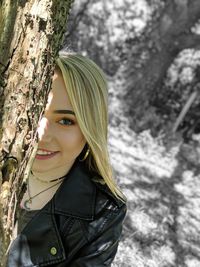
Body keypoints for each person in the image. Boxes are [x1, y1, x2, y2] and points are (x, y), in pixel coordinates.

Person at [7, 51, 127, 267]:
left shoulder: (103, 213)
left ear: (90, 129)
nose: (41, 134)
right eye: (36, 111)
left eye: (65, 120)